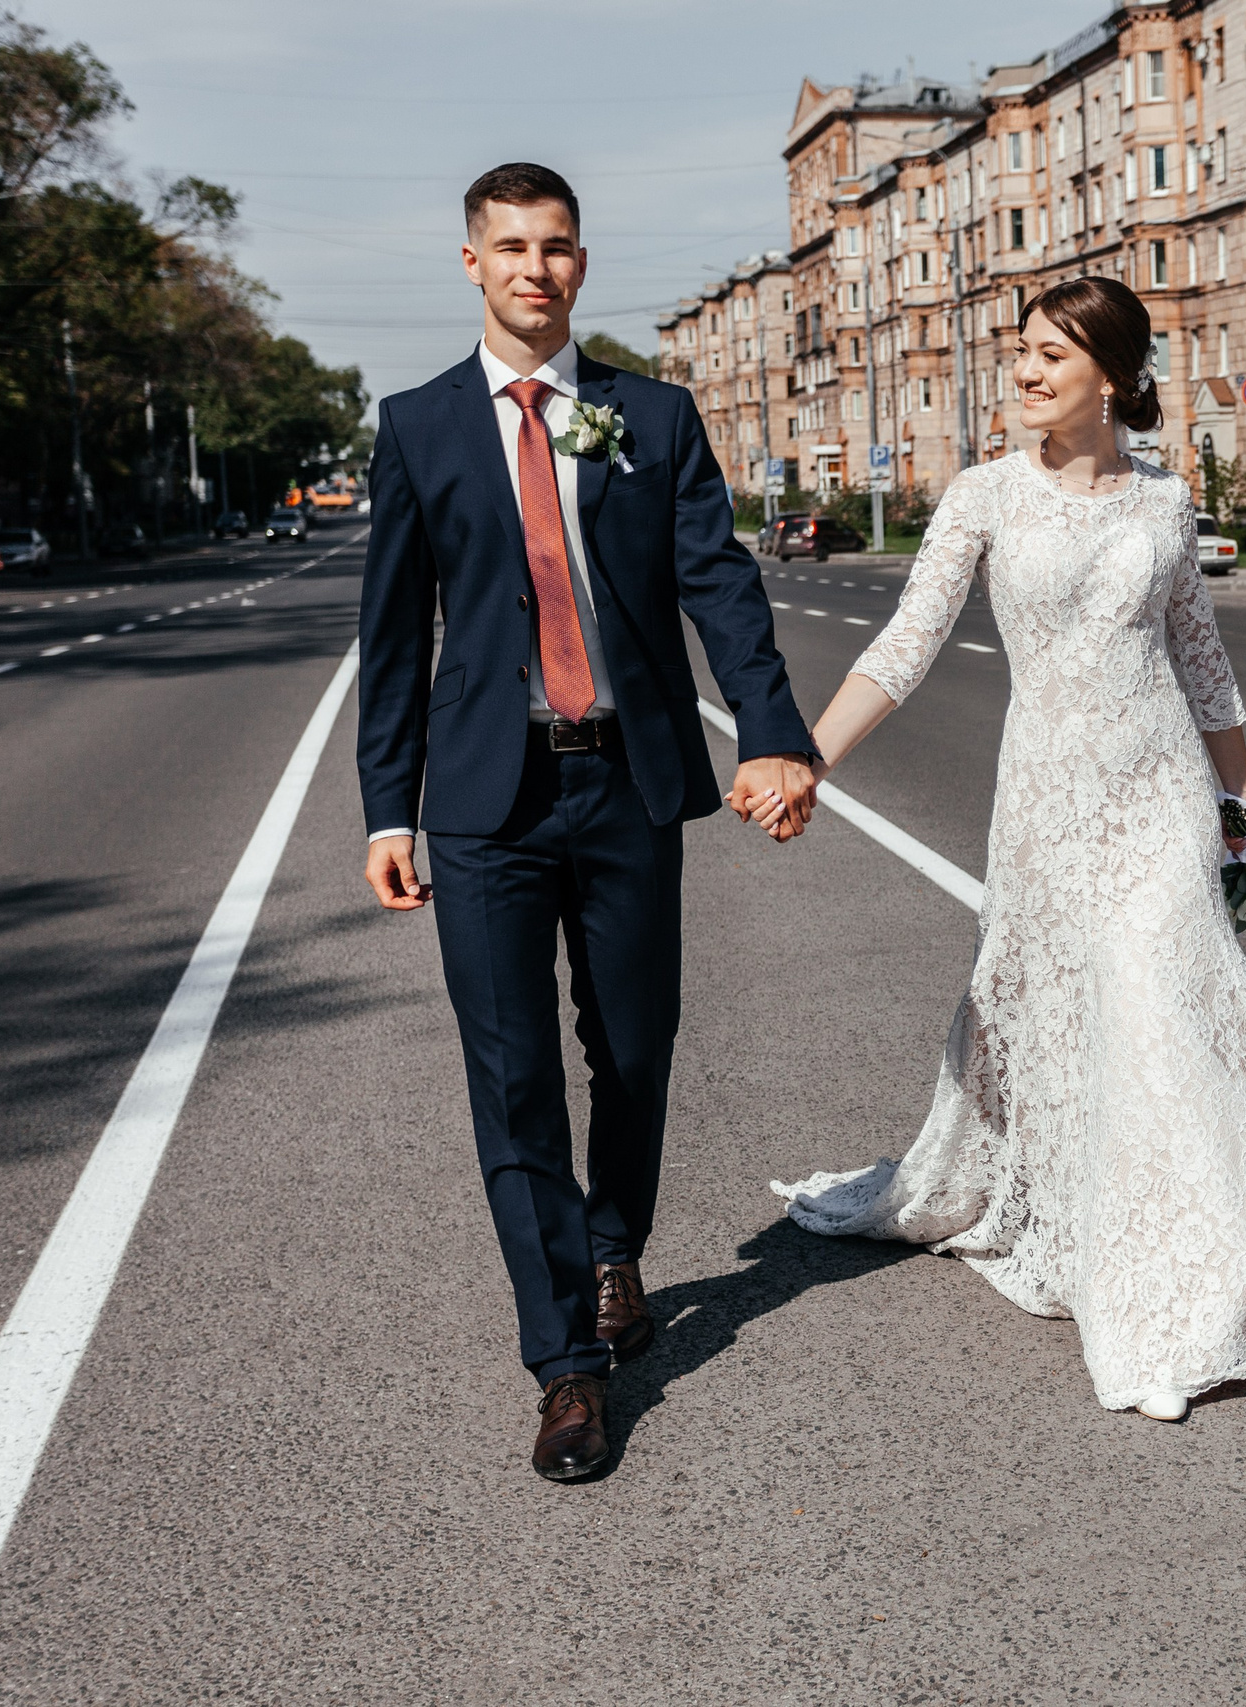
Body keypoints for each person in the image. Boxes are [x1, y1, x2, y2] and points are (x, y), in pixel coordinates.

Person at [760, 277, 1246, 1423]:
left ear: (1108, 376)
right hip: (1050, 802)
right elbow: (904, 648)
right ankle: (1127, 1253)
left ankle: (1211, 1278)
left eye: (1048, 356)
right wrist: (809, 759)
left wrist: (1242, 806)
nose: (1022, 373)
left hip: (1158, 791)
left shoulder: (1164, 505)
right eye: (1018, 352)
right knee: (1072, 1014)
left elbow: (1201, 663)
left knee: (1164, 998)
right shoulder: (982, 497)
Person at [356, 163, 821, 1481]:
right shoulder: (421, 425)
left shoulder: (651, 415)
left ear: (580, 262)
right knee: (511, 1082)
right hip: (483, 802)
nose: (534, 269)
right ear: (470, 264)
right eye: (509, 247)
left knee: (632, 1054)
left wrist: (775, 726)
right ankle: (565, 1364)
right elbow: (394, 636)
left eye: (555, 247)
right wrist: (387, 802)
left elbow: (720, 580)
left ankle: (615, 1246)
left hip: (622, 781)